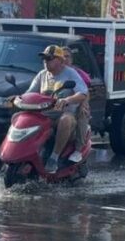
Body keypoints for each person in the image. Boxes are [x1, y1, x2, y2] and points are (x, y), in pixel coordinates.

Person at [22, 45, 89, 173]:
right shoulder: (42, 75)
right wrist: (18, 98)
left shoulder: (70, 73)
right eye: (44, 59)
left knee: (66, 120)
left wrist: (66, 100)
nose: (45, 61)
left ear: (60, 60)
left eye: (49, 58)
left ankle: (54, 157)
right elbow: (30, 93)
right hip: (44, 115)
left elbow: (82, 93)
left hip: (64, 115)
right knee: (19, 118)